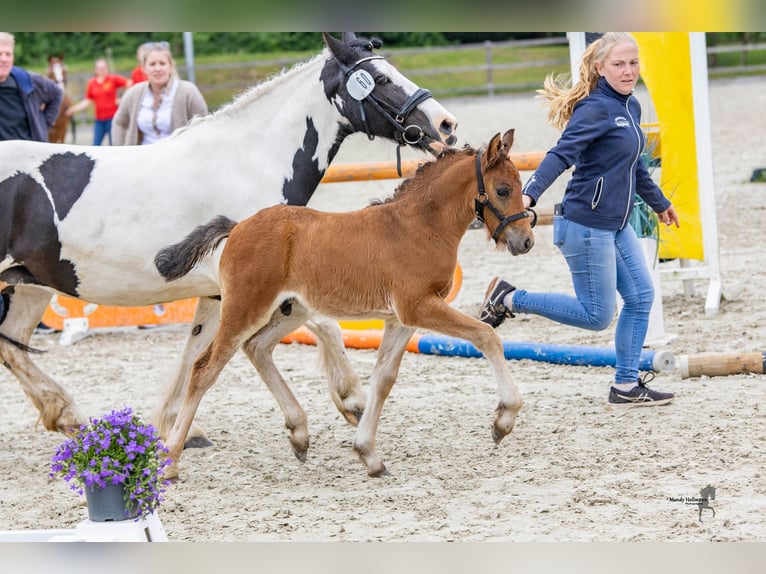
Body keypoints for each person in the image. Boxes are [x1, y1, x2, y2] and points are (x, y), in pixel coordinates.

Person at [478, 32, 680, 409]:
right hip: (585, 225)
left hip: (615, 225)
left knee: (640, 296)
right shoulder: (595, 109)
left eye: (633, 63)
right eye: (619, 64)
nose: (628, 70)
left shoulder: (629, 107)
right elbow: (560, 154)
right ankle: (510, 298)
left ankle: (625, 385)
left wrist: (659, 203)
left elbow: (634, 166)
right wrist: (530, 194)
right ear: (600, 68)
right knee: (596, 315)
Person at [1, 32, 63, 331]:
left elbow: (56, 95)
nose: (2, 59)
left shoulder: (27, 82)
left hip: (26, 172)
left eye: (7, 54)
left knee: (33, 244)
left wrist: (45, 125)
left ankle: (32, 315)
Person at [112, 41, 208, 146]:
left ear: (170, 66)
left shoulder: (188, 91)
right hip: (142, 158)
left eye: (162, 63)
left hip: (178, 158)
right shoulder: (134, 93)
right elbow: (119, 123)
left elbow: (204, 124)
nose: (157, 69)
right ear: (143, 68)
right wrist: (120, 151)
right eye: (152, 64)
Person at [66, 58, 130, 145]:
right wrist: (73, 109)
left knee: (114, 145)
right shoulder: (92, 83)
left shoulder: (112, 79)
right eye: (99, 68)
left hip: (113, 119)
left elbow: (129, 83)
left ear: (107, 68)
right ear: (95, 70)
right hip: (99, 120)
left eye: (103, 68)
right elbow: (88, 100)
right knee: (95, 145)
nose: (102, 70)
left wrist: (123, 99)